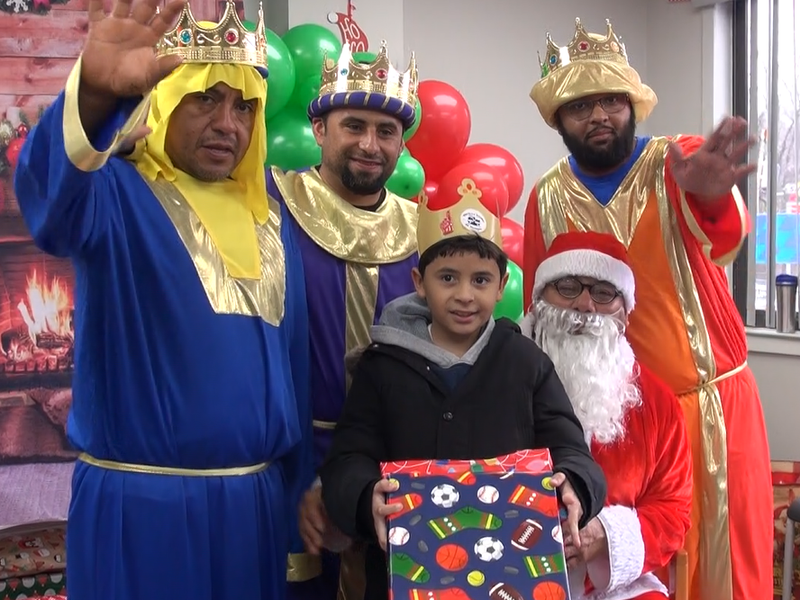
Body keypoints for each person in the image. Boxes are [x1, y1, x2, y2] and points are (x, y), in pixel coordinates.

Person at [12, 1, 313, 599]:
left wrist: (297, 496)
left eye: (244, 106)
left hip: (252, 512)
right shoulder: (114, 193)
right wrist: (96, 94)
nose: (227, 124)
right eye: (205, 99)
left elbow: (294, 374)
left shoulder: (272, 223)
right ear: (167, 100)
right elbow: (48, 203)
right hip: (144, 511)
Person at [523, 18, 772, 600]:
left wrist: (711, 197)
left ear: (633, 103)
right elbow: (537, 313)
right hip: (610, 423)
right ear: (558, 118)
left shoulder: (678, 161)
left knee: (726, 573)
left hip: (710, 412)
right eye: (580, 105)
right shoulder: (545, 196)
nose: (599, 115)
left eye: (612, 100)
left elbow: (726, 238)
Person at [318, 178, 607, 600]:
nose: (465, 295)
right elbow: (348, 458)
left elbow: (571, 449)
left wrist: (575, 485)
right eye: (448, 278)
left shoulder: (525, 362)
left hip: (511, 576)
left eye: (481, 280)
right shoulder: (382, 367)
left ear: (502, 284)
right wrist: (365, 497)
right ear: (419, 282)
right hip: (407, 577)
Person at [271, 41, 421, 600]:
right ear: (319, 130)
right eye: (353, 125)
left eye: (386, 131)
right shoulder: (272, 204)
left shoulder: (424, 227)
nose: (369, 144)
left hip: (392, 463)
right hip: (288, 455)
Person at [522, 230, 692, 600]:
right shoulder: (497, 376)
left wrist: (606, 535)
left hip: (613, 585)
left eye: (603, 293)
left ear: (624, 313)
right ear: (538, 299)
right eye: (568, 286)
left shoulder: (655, 402)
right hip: (511, 568)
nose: (585, 306)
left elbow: (673, 510)